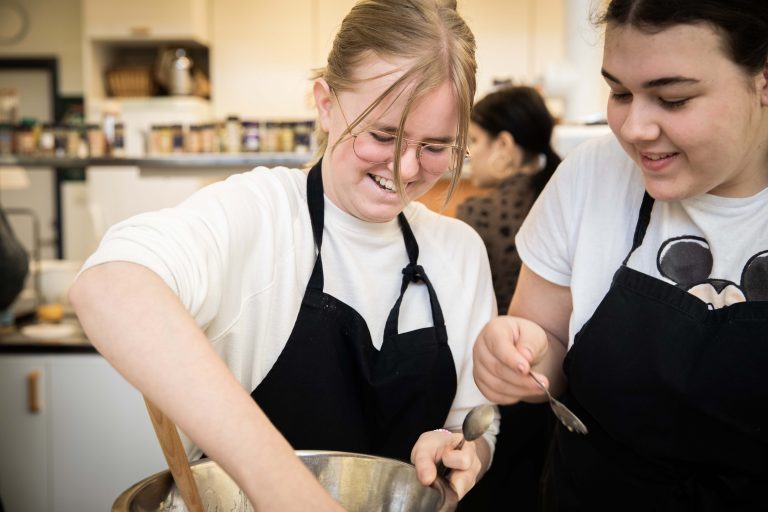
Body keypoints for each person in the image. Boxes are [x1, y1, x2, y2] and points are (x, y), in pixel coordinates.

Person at [70, 1, 498, 510]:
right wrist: (290, 492)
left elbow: (474, 425)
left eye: (436, 146)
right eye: (383, 135)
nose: (406, 169)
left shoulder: (460, 252)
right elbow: (109, 285)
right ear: (324, 103)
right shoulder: (260, 215)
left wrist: (464, 454)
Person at [472, 0, 768, 510]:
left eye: (672, 99)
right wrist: (519, 353)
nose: (634, 128)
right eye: (619, 93)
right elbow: (550, 342)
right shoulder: (590, 177)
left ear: (763, 81)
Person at [456, 86, 560, 512]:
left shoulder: (478, 215)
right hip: (560, 397)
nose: (469, 154)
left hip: (498, 390)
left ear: (504, 145)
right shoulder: (560, 197)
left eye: (476, 141)